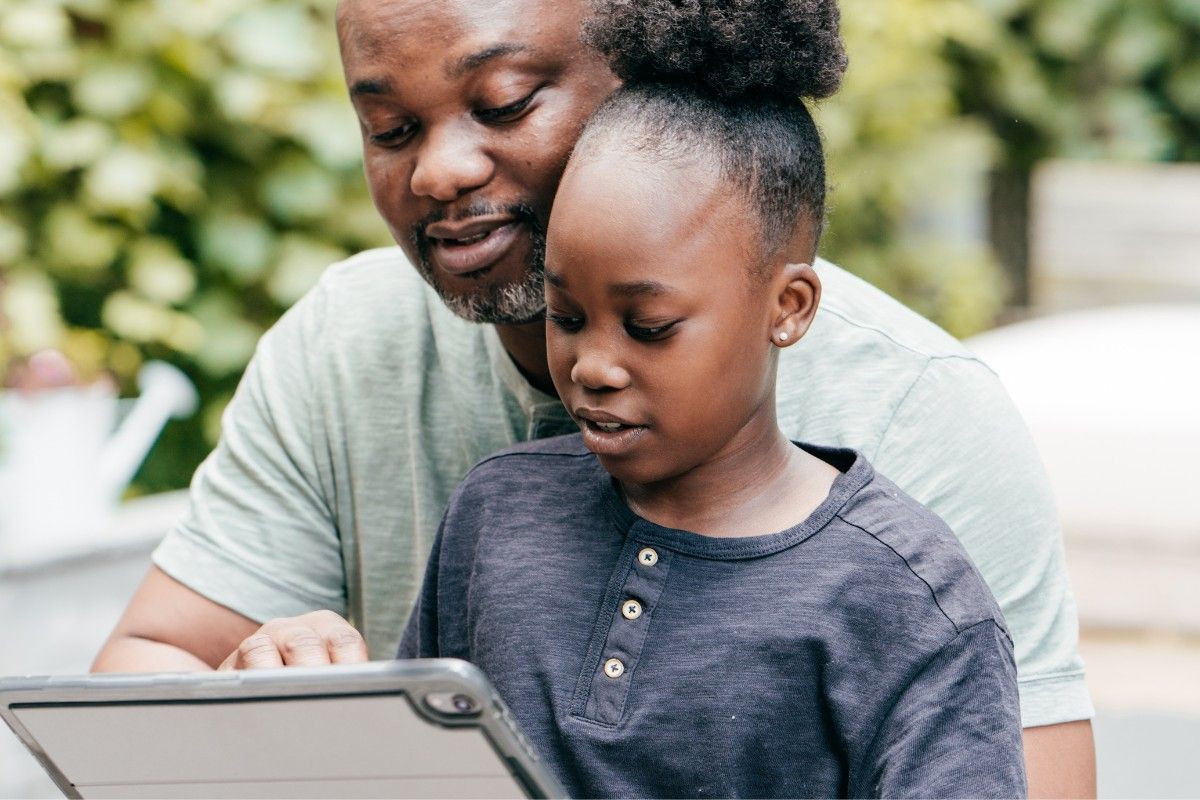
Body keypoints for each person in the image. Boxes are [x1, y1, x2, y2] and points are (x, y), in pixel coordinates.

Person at [92, 0, 1094, 793]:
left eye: (506, 101)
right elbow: (140, 685)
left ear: (645, 83)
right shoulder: (375, 371)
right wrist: (261, 693)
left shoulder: (921, 417)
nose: (438, 170)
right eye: (391, 127)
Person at [398, 3, 1026, 796]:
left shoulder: (904, 599)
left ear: (788, 307)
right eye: (566, 316)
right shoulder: (495, 512)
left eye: (649, 326)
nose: (593, 365)